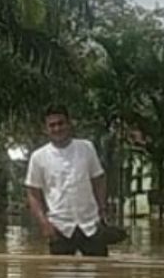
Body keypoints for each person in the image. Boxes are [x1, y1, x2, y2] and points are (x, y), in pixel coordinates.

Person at [24, 104, 108, 257]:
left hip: (91, 224)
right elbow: (33, 193)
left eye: (61, 123)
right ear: (46, 129)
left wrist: (102, 211)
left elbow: (99, 179)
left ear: (69, 124)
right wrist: (44, 224)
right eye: (52, 125)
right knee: (59, 277)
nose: (57, 129)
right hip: (59, 227)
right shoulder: (38, 157)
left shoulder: (86, 148)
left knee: (98, 273)